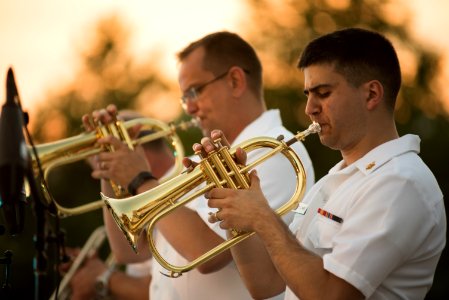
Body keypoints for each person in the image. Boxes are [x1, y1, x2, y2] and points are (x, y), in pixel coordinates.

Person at [200, 27, 447, 300]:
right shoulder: (335, 181)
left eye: (323, 93)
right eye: (308, 94)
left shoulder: (399, 183)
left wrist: (262, 216)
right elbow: (267, 284)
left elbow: (331, 294)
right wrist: (235, 198)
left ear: (371, 95)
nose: (309, 109)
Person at [82, 31, 315, 299]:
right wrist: (111, 163)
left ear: (235, 81)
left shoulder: (271, 151)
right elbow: (131, 251)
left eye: (195, 91)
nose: (189, 108)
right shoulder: (205, 156)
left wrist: (139, 178)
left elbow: (207, 253)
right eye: (185, 97)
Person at [67, 110, 175, 300]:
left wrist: (102, 278)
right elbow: (127, 254)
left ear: (135, 148)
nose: (103, 173)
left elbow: (165, 288)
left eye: (105, 161)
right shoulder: (147, 199)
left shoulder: (181, 188)